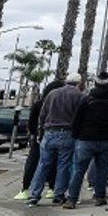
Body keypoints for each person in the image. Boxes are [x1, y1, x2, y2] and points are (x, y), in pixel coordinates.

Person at [65, 73, 108, 209]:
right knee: (103, 169)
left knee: (79, 170)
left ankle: (72, 199)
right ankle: (100, 196)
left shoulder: (87, 99)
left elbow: (77, 120)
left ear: (96, 84)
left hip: (85, 139)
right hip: (107, 139)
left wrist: (76, 135)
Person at [27, 74, 86, 207]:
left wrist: (41, 131)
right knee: (63, 165)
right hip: (67, 133)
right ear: (79, 83)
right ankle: (58, 195)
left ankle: (34, 195)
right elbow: (81, 117)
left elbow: (43, 114)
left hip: (49, 132)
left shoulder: (52, 94)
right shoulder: (80, 96)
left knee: (42, 165)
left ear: (66, 81)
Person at [15, 79, 61, 200]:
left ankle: (26, 189)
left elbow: (31, 122)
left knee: (34, 162)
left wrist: (33, 133)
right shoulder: (60, 104)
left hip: (39, 137)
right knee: (54, 163)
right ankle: (51, 188)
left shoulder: (39, 104)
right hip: (56, 135)